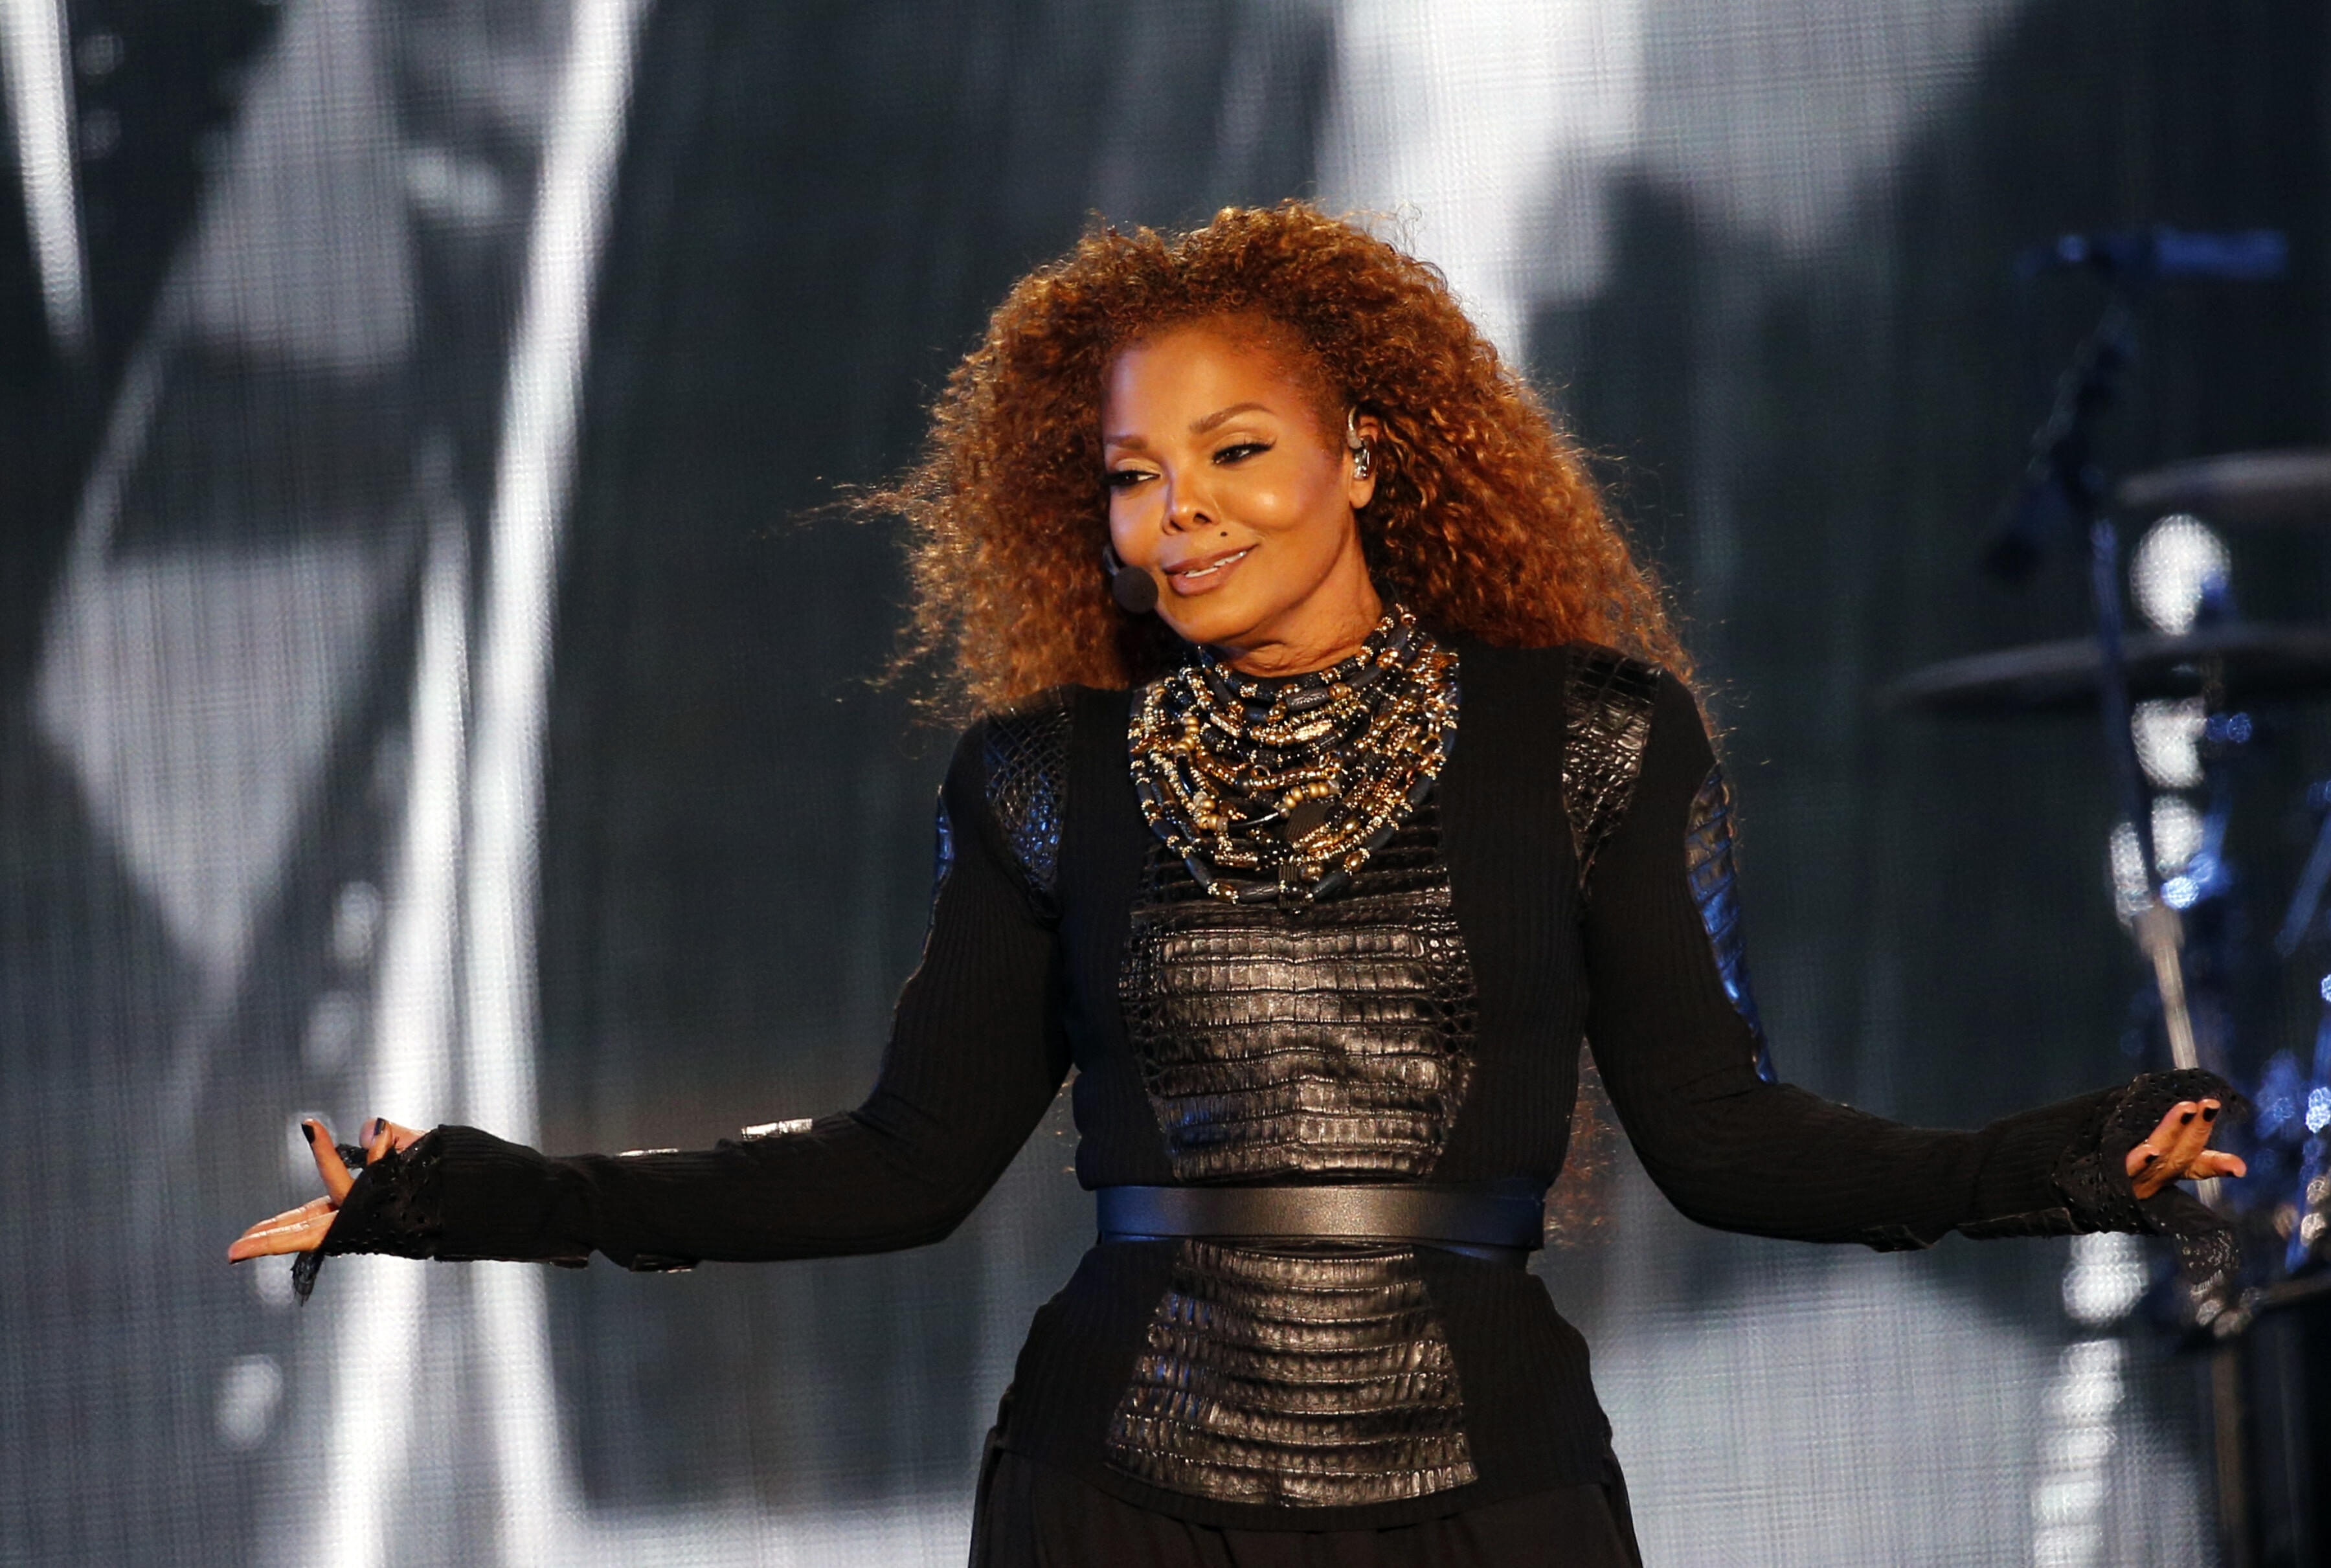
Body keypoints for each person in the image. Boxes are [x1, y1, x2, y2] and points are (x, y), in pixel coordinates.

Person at [232, 203, 2245, 1566]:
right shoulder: (1041, 781)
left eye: (1236, 453)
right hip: (1118, 1488)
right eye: (1131, 475)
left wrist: (2065, 1162)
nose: (1177, 514)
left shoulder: (1591, 741)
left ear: (1370, 455)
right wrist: (467, 1196)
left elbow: (1729, 1144)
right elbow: (895, 1167)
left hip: (1489, 1490)